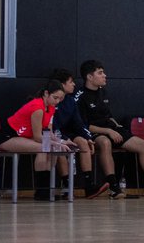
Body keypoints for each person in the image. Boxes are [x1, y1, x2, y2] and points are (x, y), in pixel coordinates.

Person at [76, 59, 144, 198]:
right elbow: (83, 125)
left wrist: (115, 126)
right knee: (105, 142)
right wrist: (108, 131)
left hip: (111, 129)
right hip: (94, 133)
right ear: (89, 77)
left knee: (143, 145)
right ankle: (114, 187)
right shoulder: (79, 97)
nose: (105, 75)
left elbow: (108, 116)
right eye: (100, 73)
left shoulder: (103, 92)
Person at [0, 79, 73, 201]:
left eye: (60, 99)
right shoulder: (37, 107)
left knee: (52, 148)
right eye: (55, 98)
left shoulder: (51, 107)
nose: (57, 101)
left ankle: (45, 190)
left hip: (24, 137)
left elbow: (49, 133)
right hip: (8, 137)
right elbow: (38, 137)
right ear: (46, 93)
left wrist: (62, 142)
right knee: (43, 147)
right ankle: (42, 191)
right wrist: (55, 143)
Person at [49, 68, 106, 199]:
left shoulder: (70, 101)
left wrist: (88, 137)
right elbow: (52, 126)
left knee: (83, 142)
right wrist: (63, 139)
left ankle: (89, 185)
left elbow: (79, 123)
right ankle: (67, 185)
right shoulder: (51, 101)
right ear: (62, 85)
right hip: (55, 134)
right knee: (60, 148)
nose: (74, 84)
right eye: (71, 82)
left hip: (68, 132)